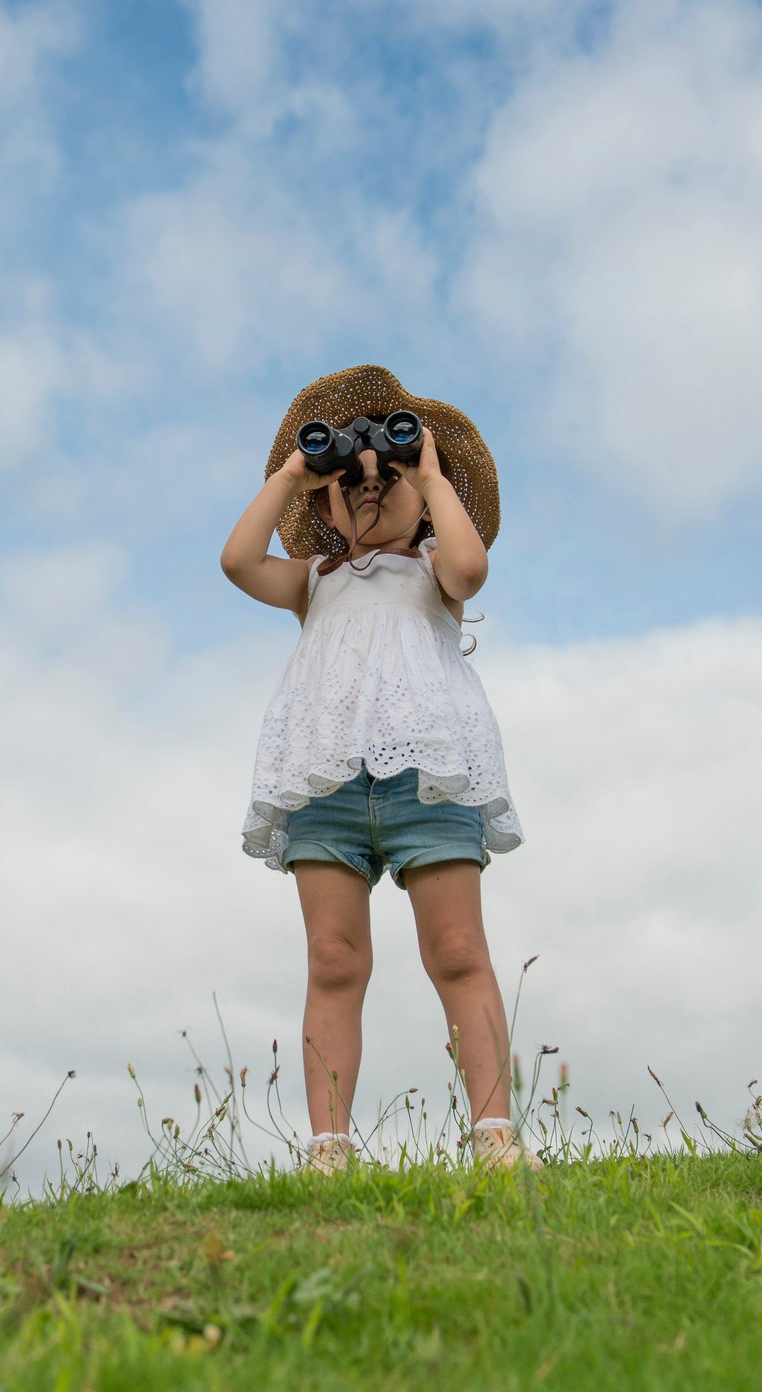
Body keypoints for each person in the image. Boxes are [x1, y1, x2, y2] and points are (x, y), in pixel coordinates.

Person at [219, 366, 540, 1174]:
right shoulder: (314, 582)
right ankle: (330, 1149)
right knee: (333, 959)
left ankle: (495, 1136)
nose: (368, 488)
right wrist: (298, 469)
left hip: (426, 776)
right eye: (349, 481)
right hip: (326, 782)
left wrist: (427, 472)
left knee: (459, 948)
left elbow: (472, 569)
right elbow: (235, 560)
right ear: (324, 503)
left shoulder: (435, 572)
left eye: (387, 478)